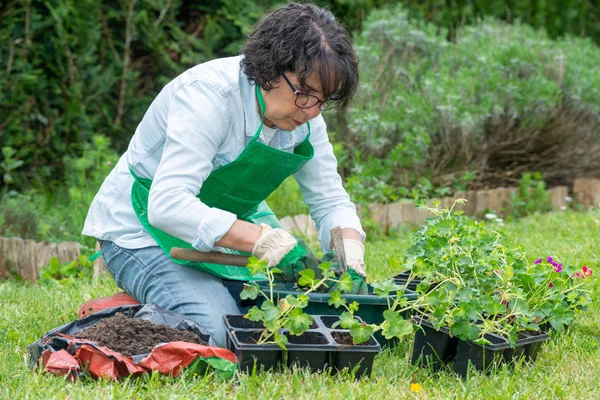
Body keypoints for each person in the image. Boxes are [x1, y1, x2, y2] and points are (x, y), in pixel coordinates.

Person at [83, 2, 367, 347]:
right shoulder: (208, 97)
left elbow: (329, 198)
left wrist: (349, 251)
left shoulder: (305, 117)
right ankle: (128, 312)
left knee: (300, 314)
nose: (312, 112)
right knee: (218, 333)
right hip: (141, 231)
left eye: (323, 100)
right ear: (272, 69)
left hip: (228, 226)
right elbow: (167, 205)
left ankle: (193, 293)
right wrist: (264, 241)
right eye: (306, 95)